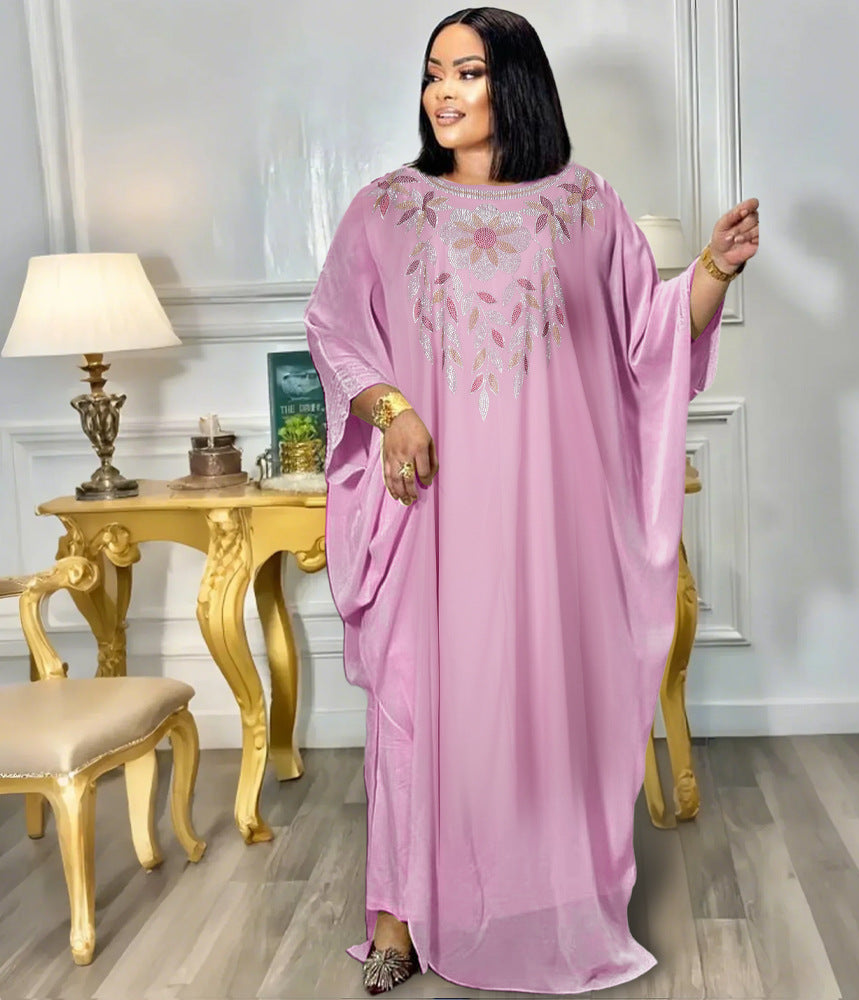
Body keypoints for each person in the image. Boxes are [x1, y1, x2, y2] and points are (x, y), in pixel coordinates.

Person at [305, 7, 759, 994]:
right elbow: (337, 325)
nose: (443, 92)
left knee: (534, 704)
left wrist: (712, 274)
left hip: (548, 517)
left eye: (465, 72)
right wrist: (390, 412)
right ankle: (397, 918)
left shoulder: (584, 205)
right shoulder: (385, 209)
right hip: (431, 511)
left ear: (512, 81)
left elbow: (643, 337)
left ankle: (533, 901)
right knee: (421, 703)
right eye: (433, 74)